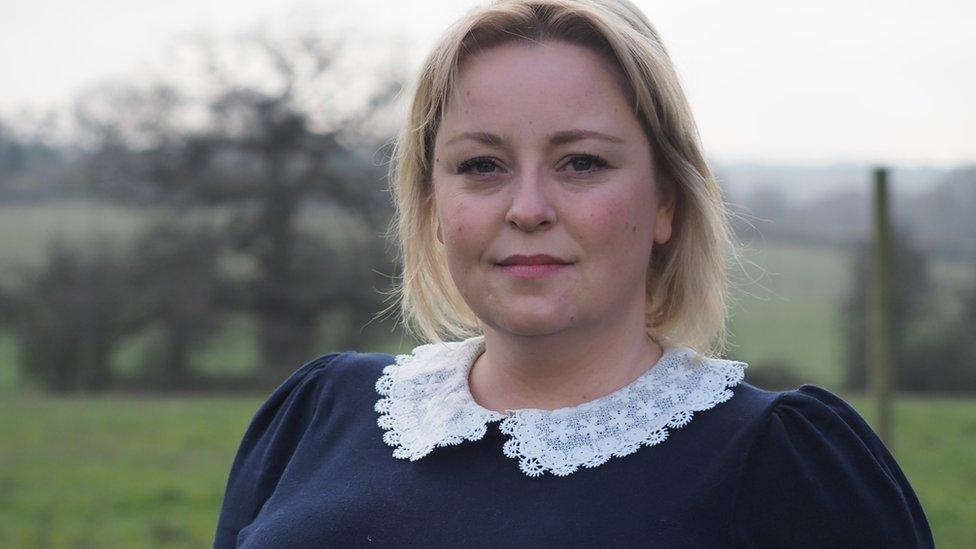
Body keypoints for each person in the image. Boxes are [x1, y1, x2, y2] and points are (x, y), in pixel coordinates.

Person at [213, 0, 935, 547]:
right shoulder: (316, 414)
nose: (527, 208)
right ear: (434, 205)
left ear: (665, 202)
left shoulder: (786, 466)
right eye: (482, 165)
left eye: (581, 162)